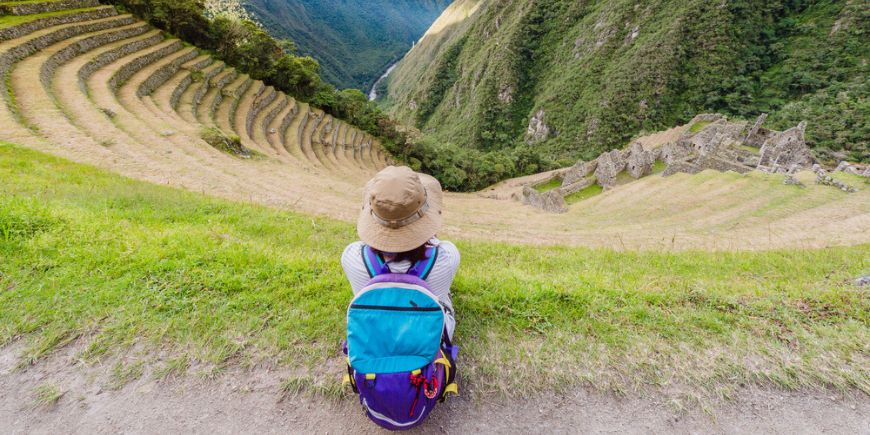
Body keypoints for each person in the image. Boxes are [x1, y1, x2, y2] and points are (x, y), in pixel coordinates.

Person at [341, 166, 459, 339]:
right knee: (444, 298)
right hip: (426, 336)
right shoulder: (447, 256)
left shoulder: (352, 257)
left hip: (376, 334)